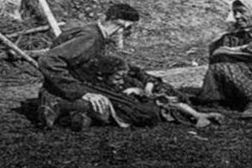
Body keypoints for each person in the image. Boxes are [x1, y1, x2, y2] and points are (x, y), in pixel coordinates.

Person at [36, 3, 160, 131]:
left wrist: (143, 78)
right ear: (105, 18)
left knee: (120, 102)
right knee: (144, 114)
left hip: (77, 83)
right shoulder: (90, 37)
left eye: (126, 28)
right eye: (118, 25)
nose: (120, 31)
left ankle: (78, 112)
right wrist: (80, 92)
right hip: (69, 87)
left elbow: (108, 65)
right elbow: (48, 59)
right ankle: (59, 104)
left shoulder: (97, 35)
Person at [79, 54, 224, 129]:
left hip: (147, 100)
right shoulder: (100, 86)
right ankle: (197, 115)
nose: (121, 81)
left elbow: (142, 79)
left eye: (122, 78)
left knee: (169, 98)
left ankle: (198, 115)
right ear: (102, 75)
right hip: (136, 108)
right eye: (117, 78)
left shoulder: (126, 78)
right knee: (162, 104)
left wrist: (144, 89)